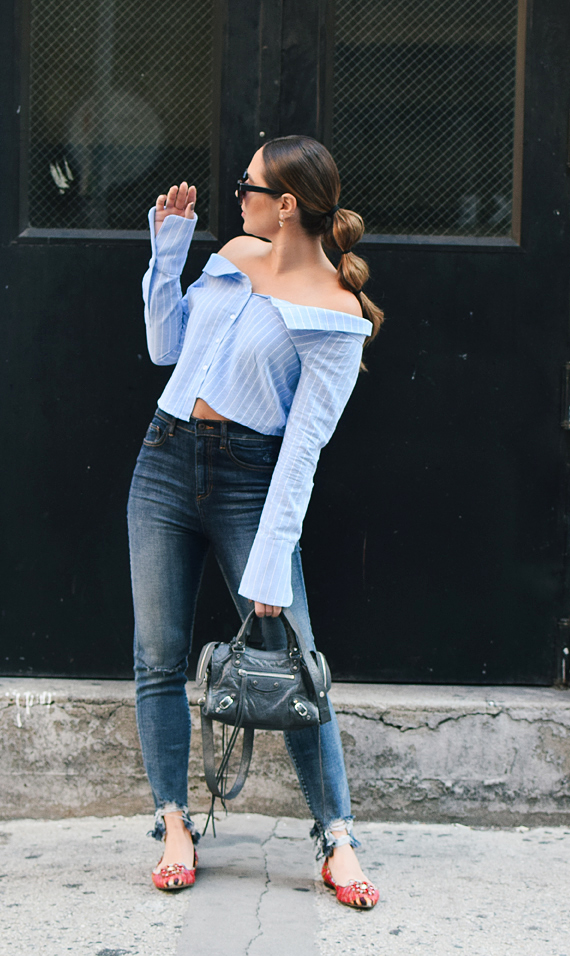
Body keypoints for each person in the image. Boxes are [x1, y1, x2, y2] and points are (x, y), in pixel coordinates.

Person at [128, 135, 383, 910]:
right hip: (163, 460)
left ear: (287, 204)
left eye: (248, 183)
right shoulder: (233, 254)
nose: (233, 194)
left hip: (249, 479)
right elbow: (162, 346)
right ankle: (174, 823)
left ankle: (336, 837)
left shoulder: (336, 313)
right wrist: (166, 255)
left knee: (297, 663)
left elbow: (302, 449)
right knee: (157, 658)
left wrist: (271, 563)